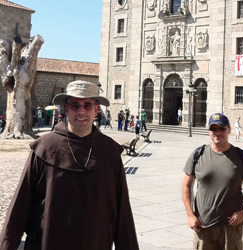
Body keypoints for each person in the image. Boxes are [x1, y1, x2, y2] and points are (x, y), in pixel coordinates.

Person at [0, 80, 139, 250]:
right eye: (75, 105)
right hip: (49, 242)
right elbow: (21, 204)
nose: (81, 111)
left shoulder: (109, 151)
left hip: (96, 243)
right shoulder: (45, 147)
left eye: (87, 105)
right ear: (66, 109)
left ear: (96, 110)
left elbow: (122, 209)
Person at [182, 113, 243, 250]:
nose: (217, 132)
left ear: (229, 129)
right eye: (213, 129)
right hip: (203, 226)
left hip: (231, 228)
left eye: (221, 128)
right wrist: (190, 215)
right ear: (209, 131)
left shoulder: (241, 157)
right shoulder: (198, 154)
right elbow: (186, 186)